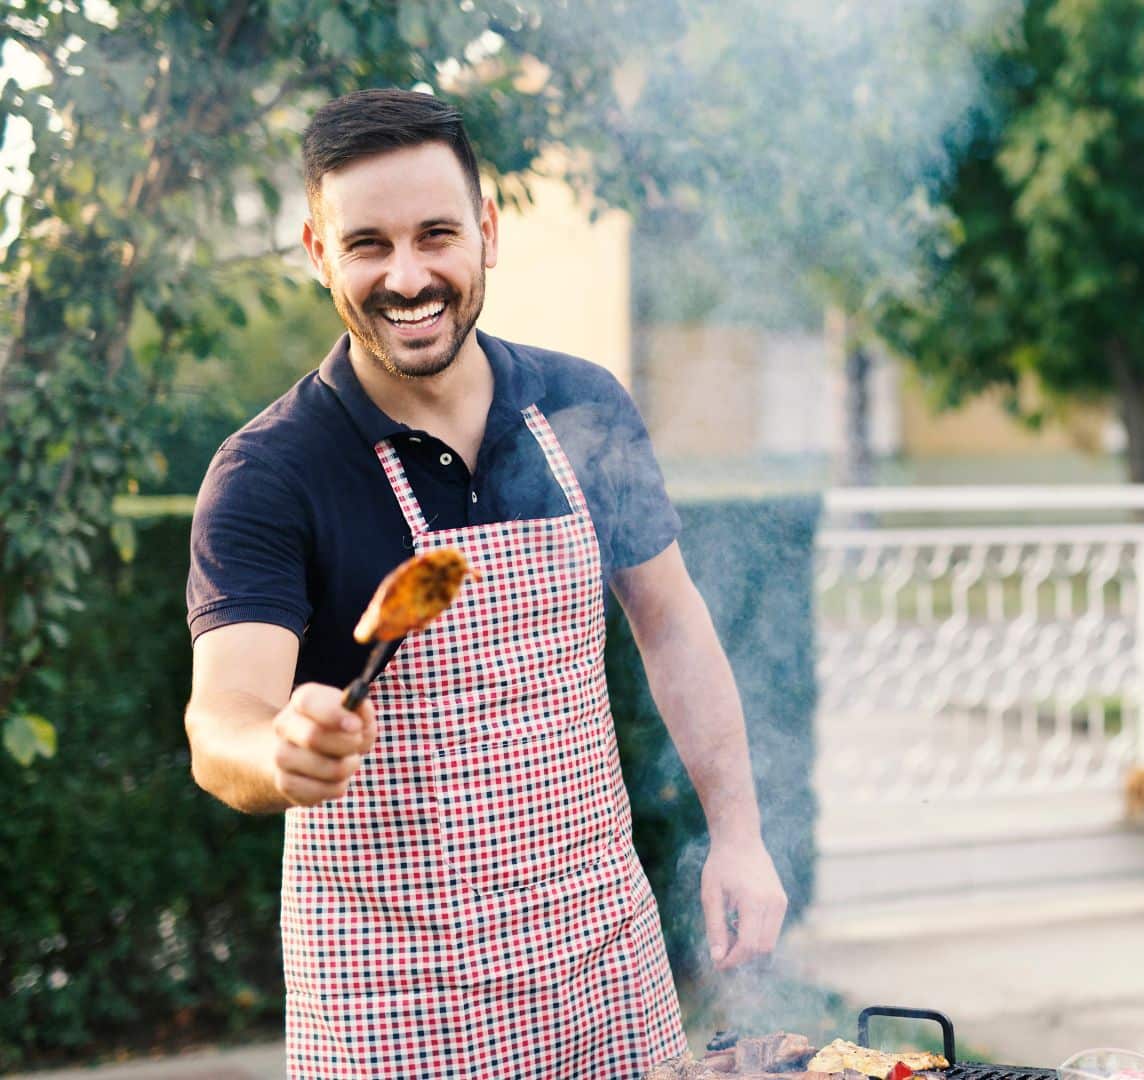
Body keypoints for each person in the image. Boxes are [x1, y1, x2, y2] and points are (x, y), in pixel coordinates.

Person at [182, 88, 786, 1077]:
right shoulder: (272, 473)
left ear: (488, 232)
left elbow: (671, 622)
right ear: (317, 252)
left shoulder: (581, 404)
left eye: (435, 235)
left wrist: (740, 835)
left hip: (602, 968)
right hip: (393, 1001)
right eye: (368, 243)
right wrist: (274, 751)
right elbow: (224, 718)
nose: (408, 275)